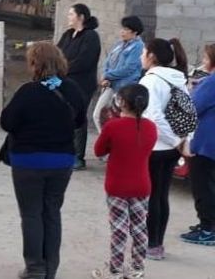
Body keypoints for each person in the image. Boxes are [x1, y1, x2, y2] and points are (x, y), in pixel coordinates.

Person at [0, 42, 88, 279]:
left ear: (34, 64)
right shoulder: (72, 89)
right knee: (52, 212)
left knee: (31, 214)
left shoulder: (28, 92)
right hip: (61, 161)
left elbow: (7, 122)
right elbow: (79, 121)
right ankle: (51, 268)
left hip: (27, 161)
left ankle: (35, 267)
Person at [91, 84, 157, 279]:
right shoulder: (151, 127)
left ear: (122, 102)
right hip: (142, 184)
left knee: (119, 230)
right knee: (139, 228)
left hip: (117, 185)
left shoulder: (113, 126)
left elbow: (98, 151)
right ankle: (137, 268)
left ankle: (116, 270)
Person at [138, 37, 188, 260]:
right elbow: (189, 113)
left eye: (143, 52)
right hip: (172, 148)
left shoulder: (150, 81)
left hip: (156, 146)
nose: (141, 56)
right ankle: (157, 244)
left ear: (152, 56)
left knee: (151, 196)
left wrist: (174, 140)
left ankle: (151, 244)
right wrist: (182, 141)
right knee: (161, 195)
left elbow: (153, 117)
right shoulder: (178, 79)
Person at [57, 3, 102, 170]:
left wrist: (64, 69)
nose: (68, 17)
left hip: (81, 84)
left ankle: (78, 156)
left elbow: (85, 61)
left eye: (71, 14)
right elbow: (57, 53)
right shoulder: (68, 34)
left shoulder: (91, 36)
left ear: (81, 17)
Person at [181, 43, 215, 246]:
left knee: (203, 186)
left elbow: (193, 107)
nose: (203, 61)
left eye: (206, 58)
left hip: (206, 142)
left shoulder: (211, 82)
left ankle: (207, 228)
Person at [92, 16, 145, 133]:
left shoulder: (138, 46)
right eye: (122, 28)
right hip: (110, 85)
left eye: (126, 29)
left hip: (124, 87)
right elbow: (108, 61)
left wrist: (108, 75)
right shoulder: (119, 44)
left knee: (119, 117)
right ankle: (107, 140)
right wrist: (105, 74)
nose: (122, 32)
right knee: (98, 114)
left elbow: (128, 68)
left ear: (135, 32)